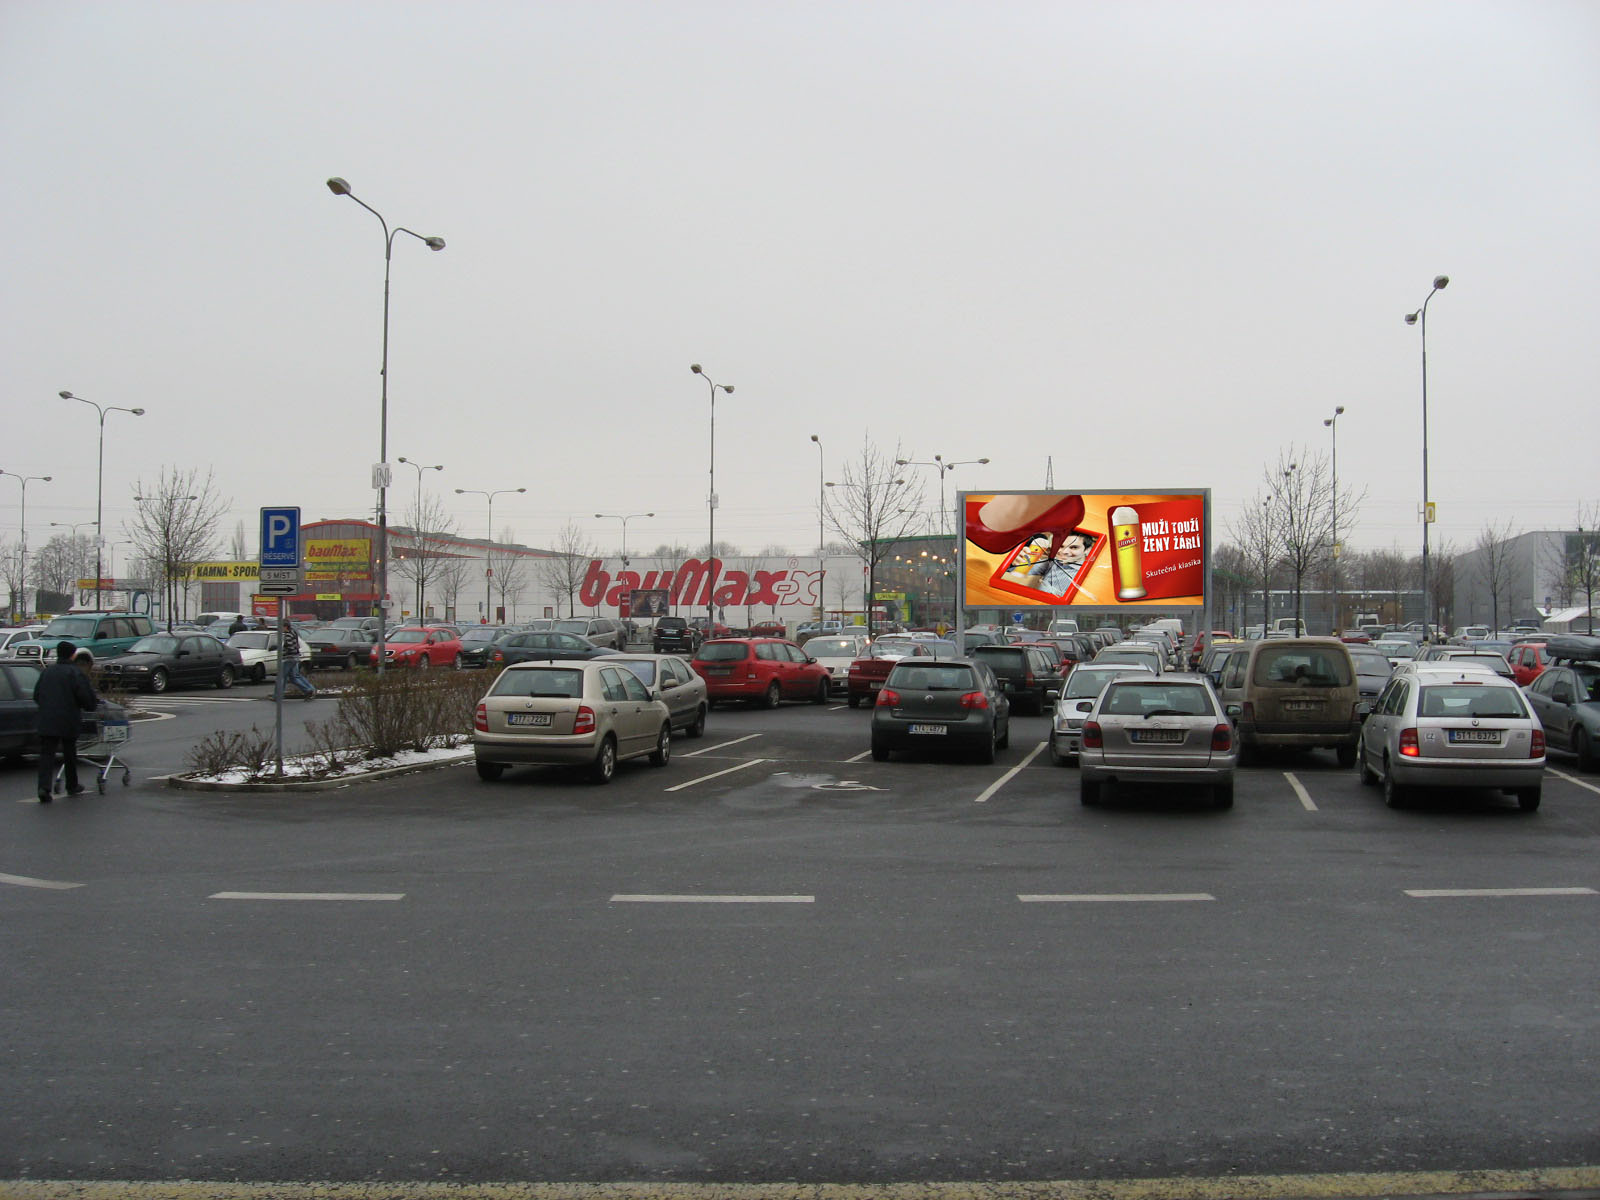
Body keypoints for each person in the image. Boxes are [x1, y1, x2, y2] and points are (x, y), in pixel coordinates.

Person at [34, 640, 98, 803]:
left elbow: (37, 694)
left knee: (47, 754)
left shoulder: (47, 672)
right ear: (72, 655)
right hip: (68, 719)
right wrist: (90, 705)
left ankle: (44, 787)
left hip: (47, 719)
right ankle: (72, 784)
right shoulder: (75, 673)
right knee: (69, 753)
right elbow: (85, 698)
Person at [281, 628, 316, 700]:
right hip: (295, 657)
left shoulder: (288, 635)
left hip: (289, 658)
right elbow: (296, 646)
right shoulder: (294, 633)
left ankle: (278, 694)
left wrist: (283, 652)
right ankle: (310, 689)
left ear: (285, 627)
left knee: (282, 677)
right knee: (295, 676)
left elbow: (290, 648)